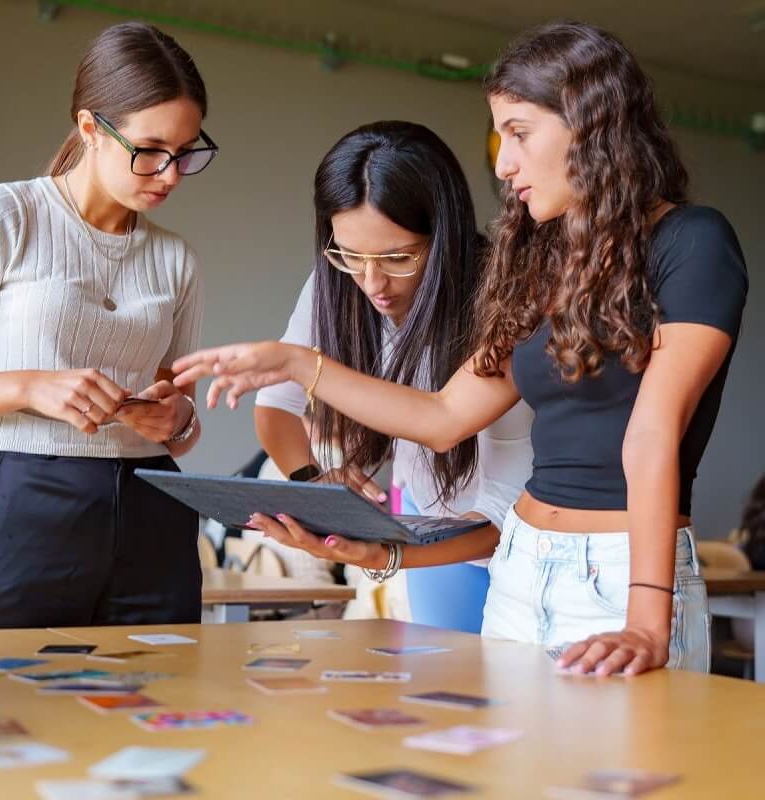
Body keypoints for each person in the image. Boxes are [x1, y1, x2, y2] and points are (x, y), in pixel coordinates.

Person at [174, 21, 748, 676]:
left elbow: (652, 435)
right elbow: (442, 417)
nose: (502, 163)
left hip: (620, 578)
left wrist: (648, 620)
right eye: (499, 136)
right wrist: (296, 363)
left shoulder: (695, 241)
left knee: (620, 778)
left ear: (591, 124)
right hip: (519, 567)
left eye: (519, 133)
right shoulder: (545, 265)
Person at [0, 22, 218, 628]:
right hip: (21, 505)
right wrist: (31, 387)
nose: (171, 174)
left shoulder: (176, 259)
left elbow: (180, 415)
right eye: (152, 150)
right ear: (89, 130)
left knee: (155, 704)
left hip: (155, 510)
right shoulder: (7, 216)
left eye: (186, 153)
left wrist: (177, 418)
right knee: (3, 709)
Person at [252, 121, 534, 630]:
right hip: (433, 552)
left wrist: (387, 555)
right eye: (351, 256)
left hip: (519, 556)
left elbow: (506, 507)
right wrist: (314, 482)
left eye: (398, 257)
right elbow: (277, 408)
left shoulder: (504, 296)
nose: (372, 282)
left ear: (442, 237)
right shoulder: (333, 288)